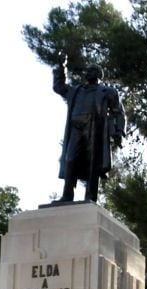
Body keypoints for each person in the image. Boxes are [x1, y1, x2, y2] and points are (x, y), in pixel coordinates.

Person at [53, 59, 125, 203]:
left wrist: (118, 131)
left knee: (93, 163)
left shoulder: (108, 92)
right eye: (88, 70)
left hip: (94, 127)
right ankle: (67, 195)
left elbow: (118, 112)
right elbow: (59, 87)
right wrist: (62, 67)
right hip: (76, 128)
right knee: (70, 159)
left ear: (99, 74)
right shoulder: (76, 90)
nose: (88, 72)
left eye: (92, 70)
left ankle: (90, 197)